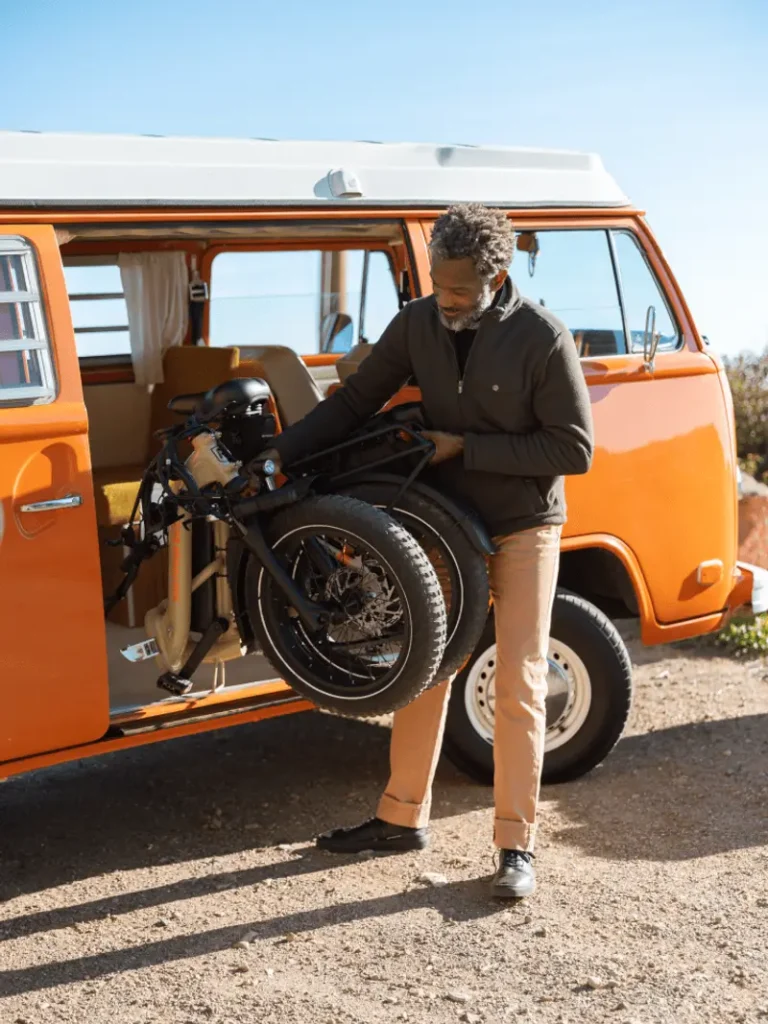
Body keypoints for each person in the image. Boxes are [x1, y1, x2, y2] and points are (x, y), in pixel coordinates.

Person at [260, 204, 594, 898]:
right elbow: (354, 403)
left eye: (457, 290)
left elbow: (573, 449)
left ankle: (515, 846)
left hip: (524, 525)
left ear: (494, 275)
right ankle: (400, 816)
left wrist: (468, 448)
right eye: (437, 285)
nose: (444, 300)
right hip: (445, 523)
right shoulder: (417, 321)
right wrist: (277, 458)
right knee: (426, 665)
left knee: (518, 683)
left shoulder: (543, 337)